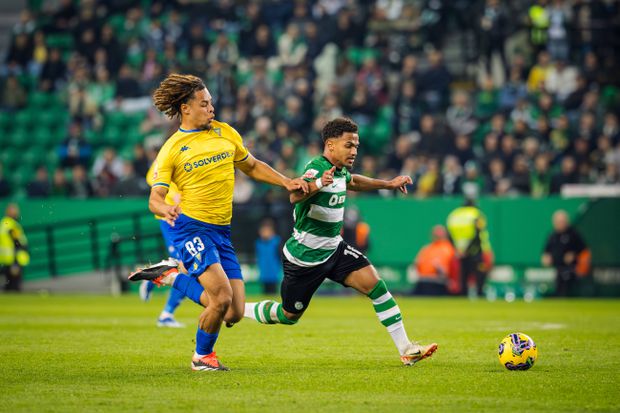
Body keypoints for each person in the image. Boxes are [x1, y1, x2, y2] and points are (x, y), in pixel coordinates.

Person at [127, 74, 307, 371]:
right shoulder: (172, 148)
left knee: (233, 312)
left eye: (211, 102)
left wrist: (286, 181)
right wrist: (165, 208)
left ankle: (171, 276)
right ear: (185, 108)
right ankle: (202, 357)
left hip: (221, 231)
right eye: (204, 104)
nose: (211, 108)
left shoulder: (225, 132)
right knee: (220, 298)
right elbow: (154, 198)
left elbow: (252, 165)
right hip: (191, 228)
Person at [244, 118, 437, 366]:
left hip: (334, 249)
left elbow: (353, 181)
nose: (354, 151)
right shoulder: (316, 168)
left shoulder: (340, 170)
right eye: (349, 145)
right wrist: (318, 184)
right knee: (288, 315)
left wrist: (388, 184)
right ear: (330, 145)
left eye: (356, 145)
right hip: (305, 257)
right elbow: (294, 195)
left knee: (376, 287)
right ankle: (239, 310)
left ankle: (407, 349)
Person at [137, 164, 187, 328]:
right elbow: (152, 177)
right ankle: (166, 314)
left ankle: (153, 279)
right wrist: (173, 196)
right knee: (185, 266)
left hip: (189, 216)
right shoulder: (168, 154)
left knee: (187, 266)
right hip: (170, 217)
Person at [446, 199, 493, 297]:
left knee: (464, 274)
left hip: (460, 252)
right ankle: (479, 294)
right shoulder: (476, 214)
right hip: (476, 250)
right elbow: (477, 234)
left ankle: (463, 296)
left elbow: (449, 235)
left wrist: (458, 250)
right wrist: (468, 249)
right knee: (480, 274)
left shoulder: (454, 215)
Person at [541, 210, 589, 297]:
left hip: (573, 270)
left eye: (562, 221)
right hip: (558, 269)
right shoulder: (552, 235)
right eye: (558, 222)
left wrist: (575, 256)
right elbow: (546, 252)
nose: (560, 224)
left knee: (570, 292)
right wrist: (546, 258)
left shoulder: (574, 234)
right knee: (559, 292)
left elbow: (584, 251)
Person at [412, 225, 458, 296]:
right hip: (423, 281)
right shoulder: (427, 248)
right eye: (435, 234)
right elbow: (417, 264)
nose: (437, 236)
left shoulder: (449, 249)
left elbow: (450, 272)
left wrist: (440, 269)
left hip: (438, 283)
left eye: (439, 234)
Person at [0, 203, 29, 291]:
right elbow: (17, 243)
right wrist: (15, 262)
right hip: (14, 259)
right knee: (14, 286)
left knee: (8, 285)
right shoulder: (12, 225)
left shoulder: (3, 223)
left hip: (5, 259)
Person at [255, 218, 282, 294]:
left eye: (267, 231)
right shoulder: (258, 243)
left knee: (273, 293)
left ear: (272, 231)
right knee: (265, 294)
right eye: (263, 231)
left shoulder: (277, 242)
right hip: (263, 274)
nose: (264, 233)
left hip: (274, 274)